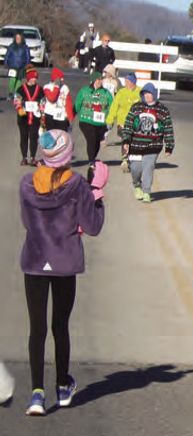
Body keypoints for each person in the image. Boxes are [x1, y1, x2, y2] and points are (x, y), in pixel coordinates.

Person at [19, 129, 107, 415]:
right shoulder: (78, 185)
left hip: (34, 259)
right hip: (64, 261)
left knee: (36, 328)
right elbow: (92, 226)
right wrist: (98, 194)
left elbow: (26, 221)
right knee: (60, 325)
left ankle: (36, 394)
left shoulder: (26, 184)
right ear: (67, 156)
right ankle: (61, 384)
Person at [120, 83, 174, 203]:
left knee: (148, 167)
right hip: (136, 145)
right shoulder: (136, 107)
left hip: (153, 145)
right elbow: (128, 124)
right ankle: (137, 185)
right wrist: (126, 141)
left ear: (154, 94)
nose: (147, 96)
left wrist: (169, 146)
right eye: (145, 93)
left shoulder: (162, 110)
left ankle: (146, 192)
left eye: (149, 93)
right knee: (135, 168)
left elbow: (168, 128)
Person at [73, 72, 116, 162]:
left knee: (96, 142)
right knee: (92, 139)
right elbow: (77, 104)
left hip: (101, 123)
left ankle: (93, 158)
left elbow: (112, 106)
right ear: (93, 80)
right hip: (86, 121)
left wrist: (111, 119)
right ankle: (91, 161)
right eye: (98, 79)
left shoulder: (106, 93)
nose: (100, 81)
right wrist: (72, 115)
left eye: (101, 79)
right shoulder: (84, 91)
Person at [108, 72, 141, 171]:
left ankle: (132, 159)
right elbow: (114, 106)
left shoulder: (140, 92)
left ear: (132, 82)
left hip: (136, 123)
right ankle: (125, 160)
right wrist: (110, 119)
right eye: (125, 81)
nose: (125, 83)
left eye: (127, 81)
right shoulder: (121, 92)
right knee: (126, 139)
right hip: (122, 122)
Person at [13, 67, 45, 166]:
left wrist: (41, 111)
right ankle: (24, 157)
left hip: (35, 117)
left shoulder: (40, 89)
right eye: (32, 78)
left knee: (33, 137)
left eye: (36, 78)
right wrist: (20, 109)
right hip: (23, 117)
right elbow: (16, 101)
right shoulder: (21, 89)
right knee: (24, 137)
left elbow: (43, 102)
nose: (34, 79)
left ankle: (33, 158)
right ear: (28, 78)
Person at [41, 68, 75, 132]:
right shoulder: (47, 87)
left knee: (62, 139)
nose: (62, 80)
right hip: (50, 116)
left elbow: (68, 104)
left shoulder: (65, 88)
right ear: (56, 79)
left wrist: (70, 118)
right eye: (61, 78)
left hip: (62, 117)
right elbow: (52, 99)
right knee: (52, 138)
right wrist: (57, 86)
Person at [5, 29, 31, 99]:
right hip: (12, 66)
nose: (18, 39)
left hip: (22, 67)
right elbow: (7, 55)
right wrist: (6, 62)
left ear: (22, 38)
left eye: (19, 38)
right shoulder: (11, 46)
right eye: (16, 38)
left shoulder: (25, 47)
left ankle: (16, 93)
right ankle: (10, 93)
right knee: (12, 80)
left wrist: (27, 65)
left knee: (19, 81)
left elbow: (28, 57)